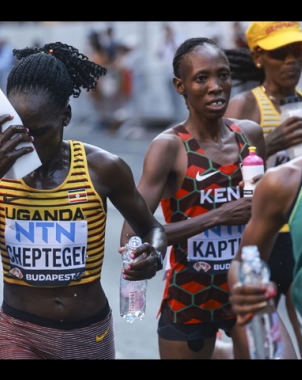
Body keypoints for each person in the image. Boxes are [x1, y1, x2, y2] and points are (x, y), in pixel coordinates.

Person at [0, 42, 168, 360]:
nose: (28, 145)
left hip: (90, 334)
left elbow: (153, 230)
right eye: (19, 132)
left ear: (66, 115)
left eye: (40, 133)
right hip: (19, 333)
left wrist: (153, 255)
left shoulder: (103, 167)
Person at [119, 37, 267, 359]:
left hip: (245, 292)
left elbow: (265, 213)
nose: (216, 86)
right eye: (202, 78)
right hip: (190, 298)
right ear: (180, 86)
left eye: (223, 75)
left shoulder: (250, 136)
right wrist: (218, 216)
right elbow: (133, 234)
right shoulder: (169, 147)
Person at [224, 21, 302, 357]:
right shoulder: (246, 106)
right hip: (264, 235)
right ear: (258, 58)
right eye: (280, 54)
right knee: (260, 343)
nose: (291, 62)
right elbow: (224, 176)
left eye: (297, 51)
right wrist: (271, 142)